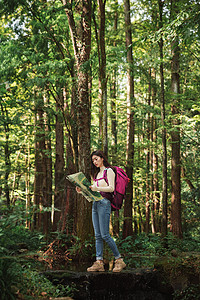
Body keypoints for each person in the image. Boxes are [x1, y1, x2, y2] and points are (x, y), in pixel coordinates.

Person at [76, 150, 126, 272]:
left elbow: (111, 188)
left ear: (102, 158)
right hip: (95, 203)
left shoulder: (109, 171)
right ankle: (99, 262)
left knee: (105, 235)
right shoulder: (96, 174)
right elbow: (94, 192)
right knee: (97, 235)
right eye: (93, 160)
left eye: (96, 159)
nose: (95, 162)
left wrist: (96, 187)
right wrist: (82, 191)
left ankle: (119, 260)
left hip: (104, 203)